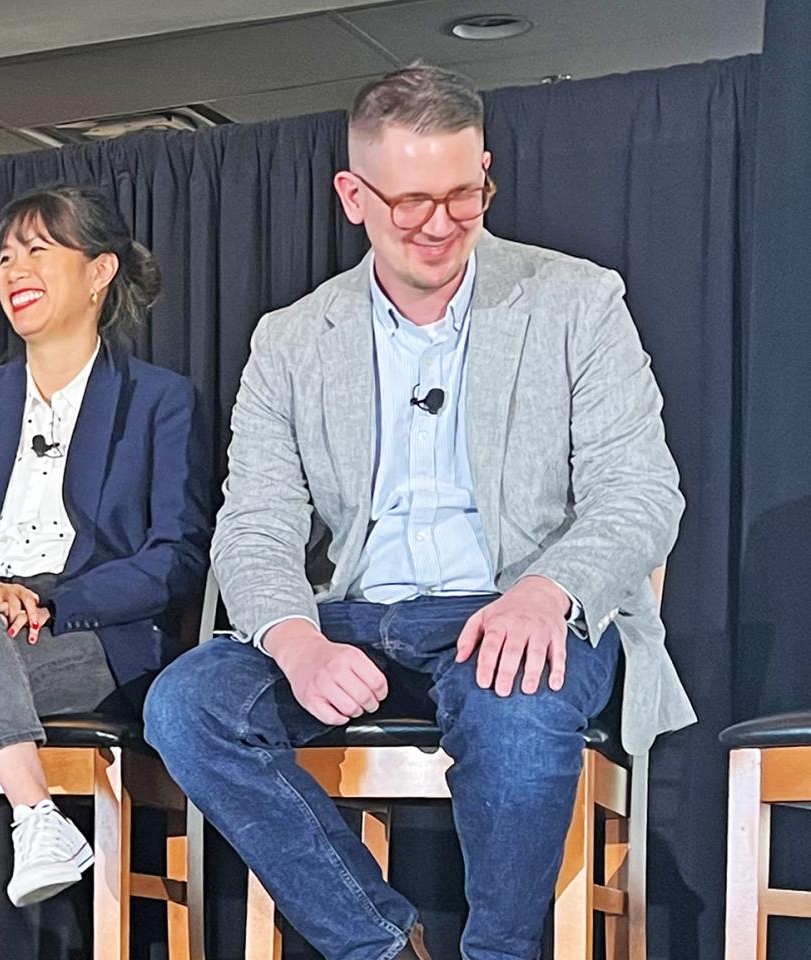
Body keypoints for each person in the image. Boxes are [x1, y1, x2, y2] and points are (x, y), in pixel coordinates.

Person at [144, 64, 689, 960]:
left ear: (485, 174)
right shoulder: (290, 340)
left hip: (510, 609)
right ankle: (383, 947)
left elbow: (642, 490)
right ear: (353, 196)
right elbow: (255, 523)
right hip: (352, 620)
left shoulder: (578, 302)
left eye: (464, 194)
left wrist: (547, 590)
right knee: (188, 706)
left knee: (517, 693)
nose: (441, 224)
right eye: (410, 202)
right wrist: (296, 639)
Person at [0, 184, 214, 960]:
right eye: (3, 256)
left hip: (78, 638)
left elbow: (177, 557)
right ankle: (35, 811)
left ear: (98, 273)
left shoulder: (159, 402)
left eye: (37, 249)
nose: (13, 269)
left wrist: (51, 601)